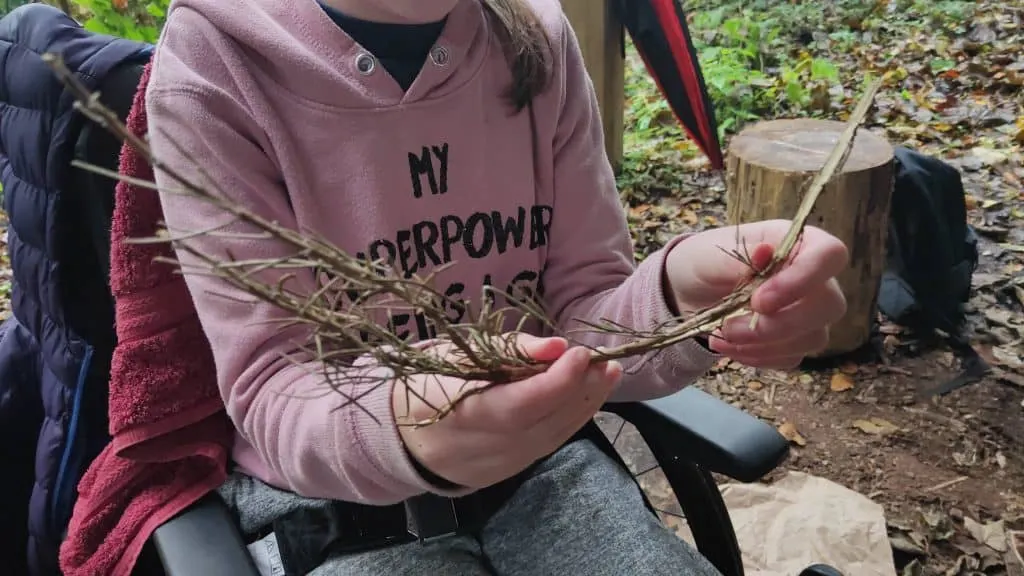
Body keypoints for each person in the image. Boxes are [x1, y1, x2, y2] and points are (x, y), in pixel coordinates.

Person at [145, 0, 848, 574]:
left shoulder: (535, 36)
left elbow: (582, 318)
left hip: (545, 474)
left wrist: (682, 299)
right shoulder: (214, 61)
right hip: (334, 512)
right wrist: (405, 428)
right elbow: (273, 383)